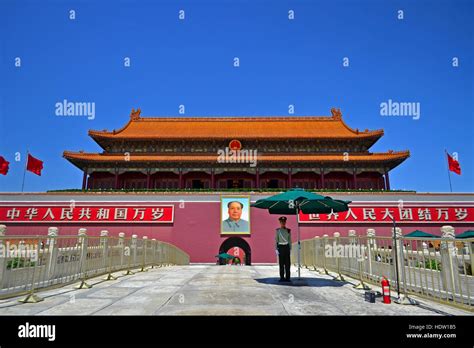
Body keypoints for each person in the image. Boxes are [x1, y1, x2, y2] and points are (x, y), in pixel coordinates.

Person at [275, 216, 291, 282]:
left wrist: (290, 248)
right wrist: (276, 249)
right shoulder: (278, 231)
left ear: (285, 222)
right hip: (281, 247)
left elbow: (290, 240)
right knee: (281, 263)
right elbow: (276, 240)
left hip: (286, 247)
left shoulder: (288, 230)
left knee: (287, 263)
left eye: (284, 222)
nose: (283, 223)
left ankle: (287, 277)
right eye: (282, 222)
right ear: (280, 222)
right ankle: (282, 277)